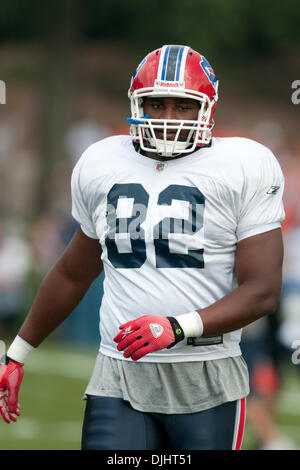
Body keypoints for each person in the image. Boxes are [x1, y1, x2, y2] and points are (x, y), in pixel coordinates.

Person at [0, 45, 285, 450]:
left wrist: (175, 326)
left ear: (207, 109)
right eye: (156, 105)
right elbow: (73, 271)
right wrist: (17, 353)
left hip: (204, 374)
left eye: (183, 107)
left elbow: (262, 291)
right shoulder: (102, 161)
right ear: (137, 105)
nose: (168, 118)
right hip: (119, 374)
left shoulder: (245, 165)